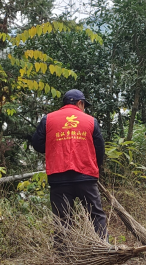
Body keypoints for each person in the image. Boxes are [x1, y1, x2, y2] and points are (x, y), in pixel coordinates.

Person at [29, 89, 108, 237]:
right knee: (96, 216)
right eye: (84, 105)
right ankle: (104, 249)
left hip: (59, 178)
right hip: (86, 176)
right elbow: (99, 150)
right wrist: (94, 169)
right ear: (80, 103)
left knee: (62, 219)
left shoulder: (48, 119)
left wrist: (55, 147)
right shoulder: (91, 121)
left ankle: (63, 256)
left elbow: (37, 144)